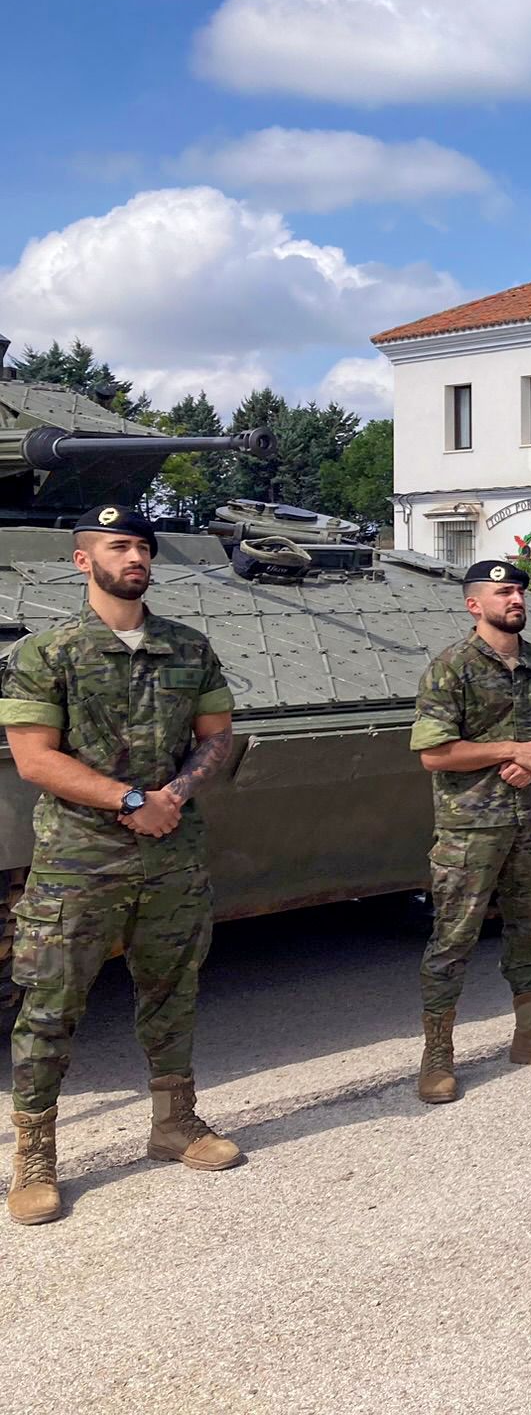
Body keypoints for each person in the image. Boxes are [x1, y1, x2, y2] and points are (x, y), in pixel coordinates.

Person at [1, 504, 242, 1226]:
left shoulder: (188, 648)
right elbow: (34, 757)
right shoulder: (48, 654)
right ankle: (35, 1153)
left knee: (172, 991)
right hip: (80, 858)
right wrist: (132, 797)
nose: (133, 557)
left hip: (171, 853)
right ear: (83, 561)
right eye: (117, 546)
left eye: (141, 546)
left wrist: (176, 794)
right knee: (51, 1003)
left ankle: (175, 1123)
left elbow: (217, 735)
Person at [409, 559, 531, 1104]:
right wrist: (512, 749)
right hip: (471, 828)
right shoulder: (451, 669)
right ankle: (437, 1056)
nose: (516, 600)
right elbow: (435, 753)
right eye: (503, 591)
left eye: (519, 592)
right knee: (453, 937)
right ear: (474, 604)